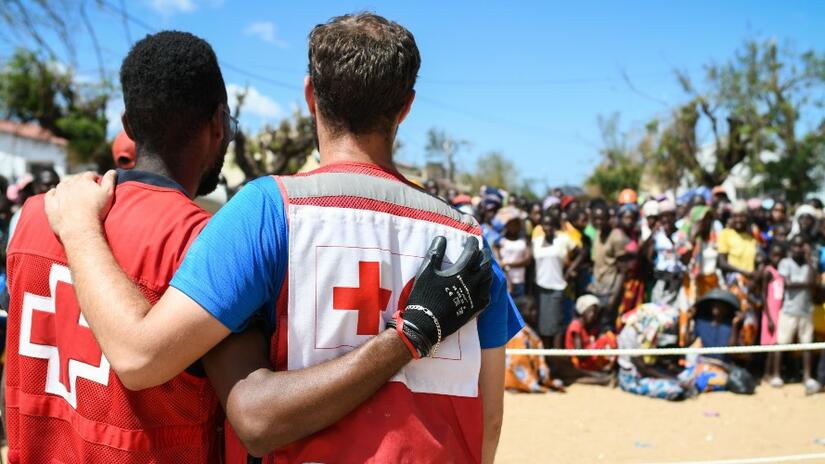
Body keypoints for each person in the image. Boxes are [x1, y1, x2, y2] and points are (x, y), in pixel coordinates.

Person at [42, 14, 521, 463]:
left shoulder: (269, 211)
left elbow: (140, 357)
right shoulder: (470, 243)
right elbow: (489, 422)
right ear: (406, 107)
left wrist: (80, 225)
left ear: (311, 96)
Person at [617, 303, 691, 401]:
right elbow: (643, 368)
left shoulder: (645, 332)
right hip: (633, 379)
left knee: (687, 376)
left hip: (649, 370)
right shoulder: (630, 334)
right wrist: (673, 379)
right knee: (674, 388)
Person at [775, 235, 819, 394]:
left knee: (807, 345)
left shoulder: (809, 265)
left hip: (806, 310)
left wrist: (809, 261)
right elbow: (787, 284)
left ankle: (807, 377)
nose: (798, 249)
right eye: (795, 246)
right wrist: (805, 284)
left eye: (801, 246)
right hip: (788, 310)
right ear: (790, 247)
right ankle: (776, 375)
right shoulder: (785, 263)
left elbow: (814, 283)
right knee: (781, 344)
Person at [533, 211, 576, 348]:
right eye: (545, 225)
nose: (548, 227)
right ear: (542, 226)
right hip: (541, 287)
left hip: (557, 286)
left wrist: (569, 270)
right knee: (544, 325)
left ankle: (556, 356)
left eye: (551, 225)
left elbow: (582, 251)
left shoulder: (563, 240)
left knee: (557, 324)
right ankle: (547, 358)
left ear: (555, 226)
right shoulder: (536, 241)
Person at [564, 294, 616, 384]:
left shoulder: (589, 326)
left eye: (595, 312)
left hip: (588, 359)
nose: (593, 315)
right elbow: (579, 354)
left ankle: (603, 374)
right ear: (583, 311)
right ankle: (601, 377)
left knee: (609, 337)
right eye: (590, 311)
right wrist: (595, 347)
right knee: (607, 339)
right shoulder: (576, 326)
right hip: (578, 362)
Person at [688, 289, 742, 362]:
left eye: (720, 304)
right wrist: (689, 320)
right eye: (714, 303)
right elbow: (688, 342)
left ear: (726, 309)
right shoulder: (702, 322)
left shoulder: (729, 326)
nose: (716, 306)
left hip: (723, 365)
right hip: (703, 363)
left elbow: (732, 350)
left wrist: (735, 325)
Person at [495, 206, 531, 298]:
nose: (513, 227)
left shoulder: (524, 240)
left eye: (515, 224)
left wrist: (508, 264)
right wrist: (503, 266)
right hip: (504, 281)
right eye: (510, 224)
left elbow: (527, 260)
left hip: (519, 281)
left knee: (519, 308)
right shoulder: (500, 240)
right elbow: (498, 260)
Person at [763, 243, 785, 386]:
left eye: (779, 256)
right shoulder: (768, 272)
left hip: (780, 311)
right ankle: (767, 373)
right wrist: (769, 317)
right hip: (770, 312)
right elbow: (763, 295)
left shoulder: (782, 272)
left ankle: (773, 373)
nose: (776, 258)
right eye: (774, 255)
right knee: (771, 346)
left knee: (777, 343)